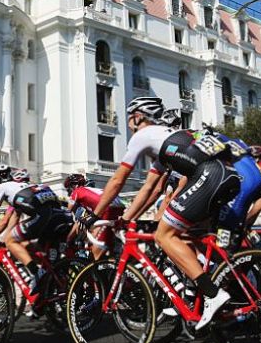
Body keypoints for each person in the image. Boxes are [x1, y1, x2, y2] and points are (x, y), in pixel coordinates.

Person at [89, 96, 241, 330]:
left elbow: (118, 179)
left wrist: (95, 215)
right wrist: (126, 219)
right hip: (229, 175)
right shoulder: (166, 139)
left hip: (210, 175)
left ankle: (212, 294)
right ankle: (215, 287)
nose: (129, 126)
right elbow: (152, 187)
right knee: (191, 237)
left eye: (130, 120)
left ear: (138, 117)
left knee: (164, 235)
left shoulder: (143, 135)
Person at [6, 181, 73, 293]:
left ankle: (36, 273)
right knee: (28, 247)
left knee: (10, 241)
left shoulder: (16, 191)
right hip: (61, 218)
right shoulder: (42, 188)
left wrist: (3, 237)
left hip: (48, 220)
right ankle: (47, 275)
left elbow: (14, 216)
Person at [64, 172, 124, 257]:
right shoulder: (93, 190)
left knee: (96, 252)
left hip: (107, 208)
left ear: (74, 186)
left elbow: (69, 210)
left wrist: (69, 238)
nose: (68, 192)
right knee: (108, 242)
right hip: (119, 205)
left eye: (68, 189)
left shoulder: (77, 191)